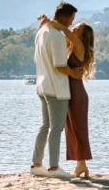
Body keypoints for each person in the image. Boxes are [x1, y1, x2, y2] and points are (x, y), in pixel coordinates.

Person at [30, 2, 83, 178]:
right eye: (71, 19)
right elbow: (60, 65)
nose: (70, 24)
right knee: (56, 128)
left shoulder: (41, 33)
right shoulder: (56, 36)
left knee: (45, 125)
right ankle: (54, 167)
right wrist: (74, 74)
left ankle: (36, 164)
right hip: (56, 88)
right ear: (62, 18)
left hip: (42, 86)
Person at [42, 16, 95, 178]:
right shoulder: (71, 44)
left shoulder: (79, 46)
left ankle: (82, 165)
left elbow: (63, 29)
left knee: (79, 129)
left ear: (83, 36)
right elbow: (58, 35)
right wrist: (48, 24)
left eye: (77, 29)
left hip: (77, 93)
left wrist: (50, 20)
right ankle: (80, 165)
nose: (73, 29)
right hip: (67, 92)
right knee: (70, 129)